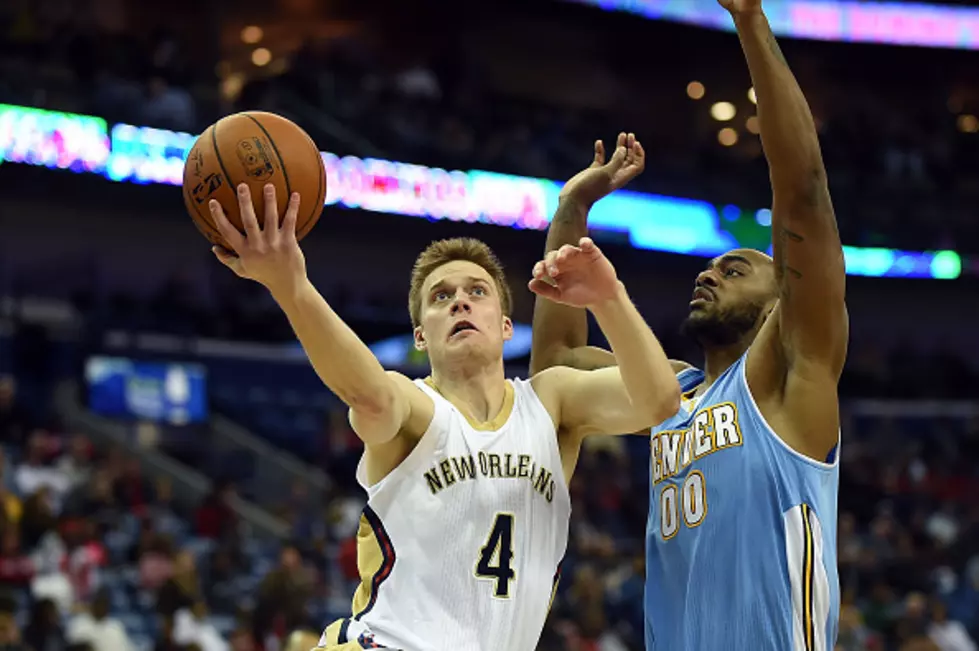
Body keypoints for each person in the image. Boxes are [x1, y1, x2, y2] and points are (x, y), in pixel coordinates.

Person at [207, 175, 680, 650]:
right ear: (420, 336)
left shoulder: (551, 400)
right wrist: (292, 287)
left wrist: (609, 297)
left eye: (477, 292)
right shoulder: (416, 406)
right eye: (440, 297)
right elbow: (370, 396)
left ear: (505, 326)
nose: (459, 301)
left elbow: (659, 402)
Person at [530, 0, 847, 648]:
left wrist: (751, 21)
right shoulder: (665, 393)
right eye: (707, 268)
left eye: (734, 268)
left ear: (777, 297)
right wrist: (571, 207)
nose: (707, 274)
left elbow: (804, 191)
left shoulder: (791, 374)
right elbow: (556, 368)